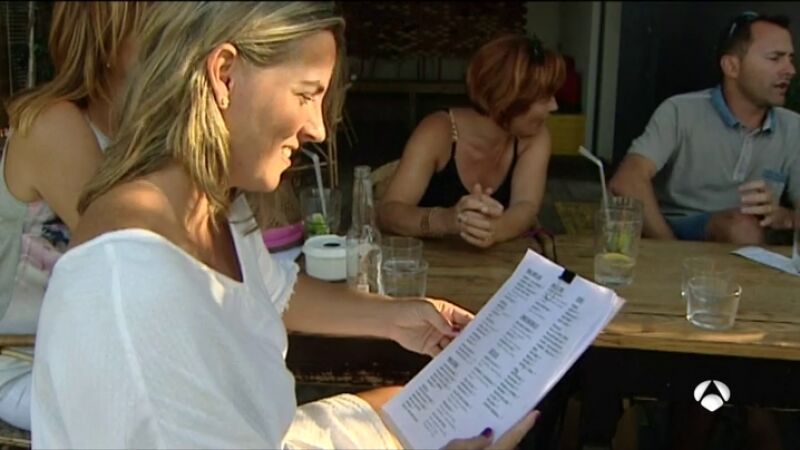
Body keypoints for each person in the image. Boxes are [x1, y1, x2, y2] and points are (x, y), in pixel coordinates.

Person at [30, 3, 540, 448]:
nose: (317, 128)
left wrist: (396, 316)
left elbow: (272, 291)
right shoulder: (131, 280)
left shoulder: (216, 207)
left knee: (408, 402)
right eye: (305, 94)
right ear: (224, 74)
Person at [0, 2, 147, 430]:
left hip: (98, 362)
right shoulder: (52, 125)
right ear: (107, 39)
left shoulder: (137, 134)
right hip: (23, 366)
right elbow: (143, 259)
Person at [609, 11, 800, 244]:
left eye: (790, 59)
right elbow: (627, 180)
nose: (790, 70)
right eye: (775, 58)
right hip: (675, 229)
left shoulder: (793, 127)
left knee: (744, 228)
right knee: (742, 228)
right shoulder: (680, 111)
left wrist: (786, 217)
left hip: (750, 241)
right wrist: (671, 251)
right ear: (732, 66)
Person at [377, 34, 565, 248]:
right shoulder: (437, 132)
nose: (554, 106)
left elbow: (526, 205)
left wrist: (495, 230)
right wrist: (447, 220)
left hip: (497, 264)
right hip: (425, 262)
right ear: (508, 99)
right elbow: (388, 212)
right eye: (545, 97)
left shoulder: (535, 137)